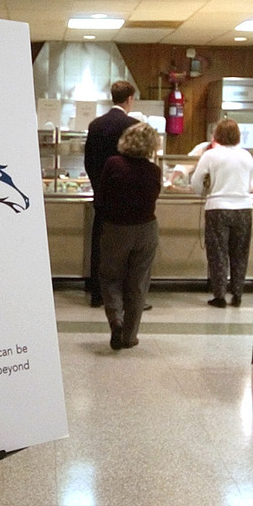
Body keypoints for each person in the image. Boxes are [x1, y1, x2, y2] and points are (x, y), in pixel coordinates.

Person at [98, 122, 162, 350]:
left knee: (110, 277)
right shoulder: (154, 170)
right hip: (146, 228)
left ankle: (116, 319)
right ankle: (129, 336)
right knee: (138, 283)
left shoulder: (113, 164)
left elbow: (101, 196)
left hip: (117, 228)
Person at [84, 80, 139, 307]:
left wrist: (98, 186)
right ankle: (125, 295)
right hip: (126, 200)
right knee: (127, 250)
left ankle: (97, 294)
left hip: (102, 198)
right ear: (129, 99)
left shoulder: (96, 125)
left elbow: (88, 161)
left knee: (100, 246)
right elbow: (138, 161)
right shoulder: (134, 125)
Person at [190, 119, 253, 307]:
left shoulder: (211, 155)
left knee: (218, 253)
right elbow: (249, 185)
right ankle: (238, 293)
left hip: (218, 208)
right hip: (243, 208)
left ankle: (219, 295)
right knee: (240, 252)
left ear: (217, 134)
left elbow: (196, 182)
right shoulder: (246, 156)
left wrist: (205, 190)